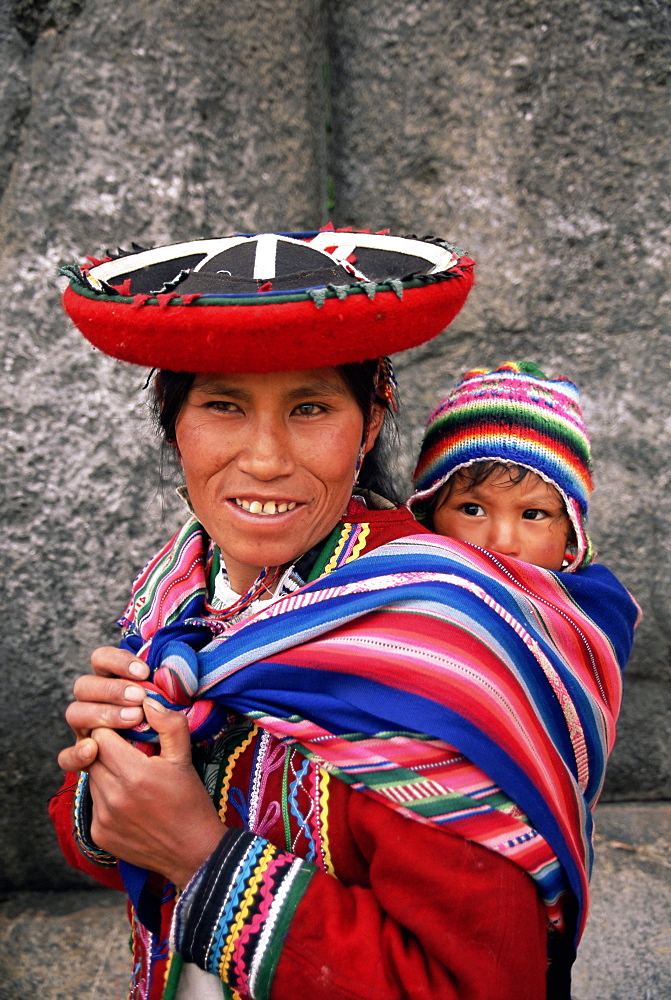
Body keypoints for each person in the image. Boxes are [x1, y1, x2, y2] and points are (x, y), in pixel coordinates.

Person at [50, 230, 639, 1000]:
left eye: (309, 407)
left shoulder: (437, 632)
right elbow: (104, 841)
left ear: (368, 422)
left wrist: (201, 857)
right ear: (173, 425)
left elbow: (485, 980)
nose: (264, 458)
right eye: (223, 404)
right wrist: (109, 777)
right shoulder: (182, 581)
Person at [407, 360, 595, 573]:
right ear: (425, 514)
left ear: (572, 530)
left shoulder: (599, 602)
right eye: (473, 510)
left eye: (533, 514)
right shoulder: (403, 593)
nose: (502, 545)